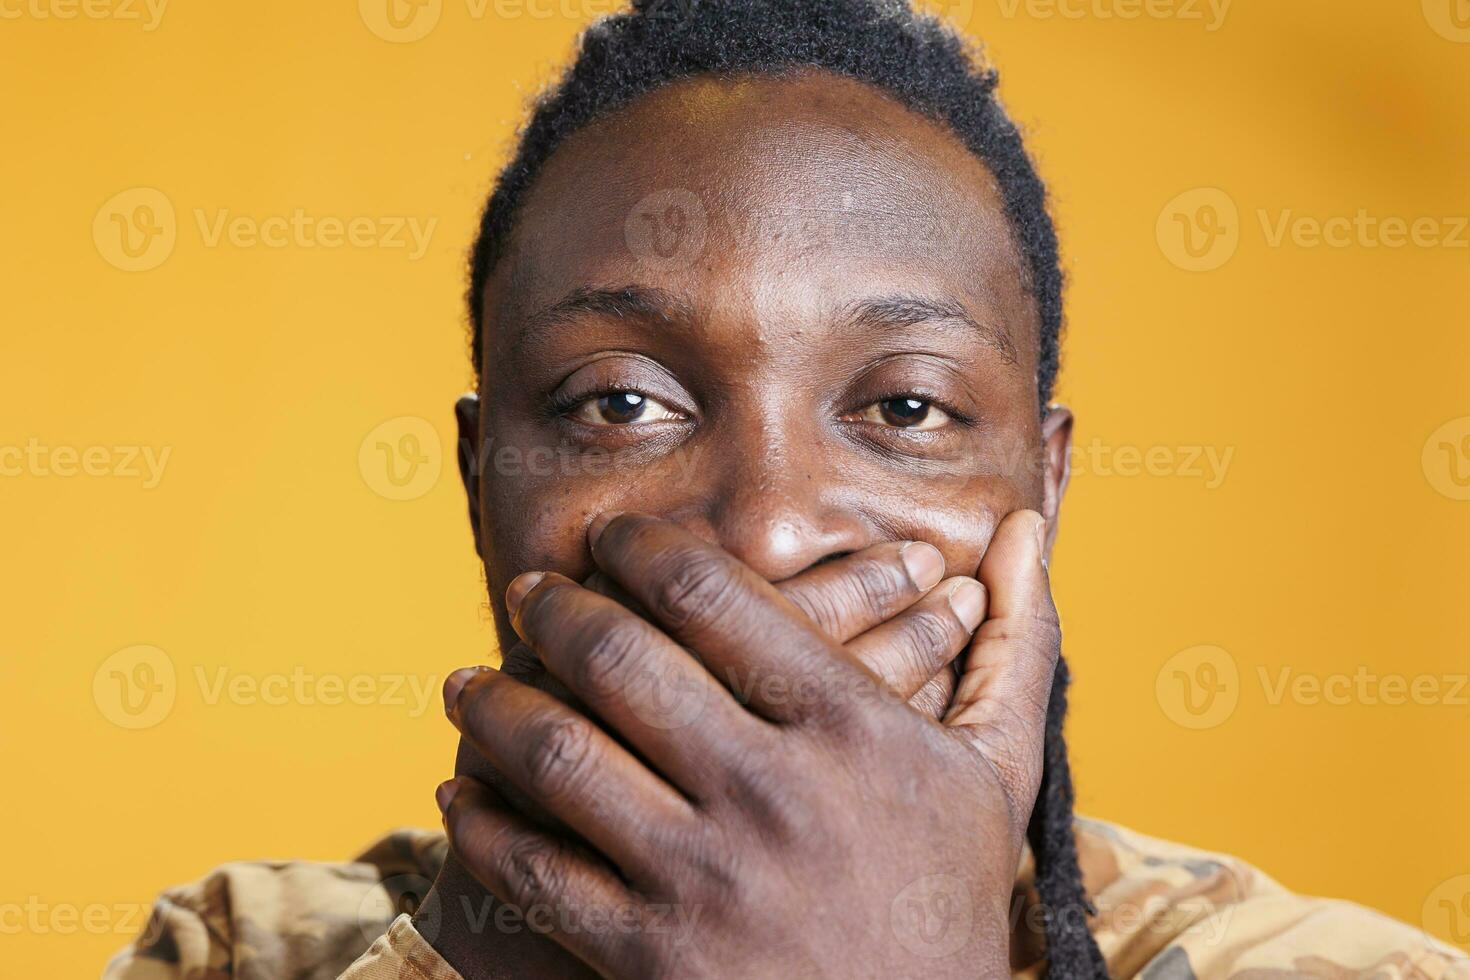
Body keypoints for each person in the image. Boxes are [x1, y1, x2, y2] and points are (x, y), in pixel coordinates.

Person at [105, 1, 1464, 977]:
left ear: (1036, 496)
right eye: (620, 404)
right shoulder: (230, 954)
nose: (762, 528)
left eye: (905, 408)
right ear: (482, 484)